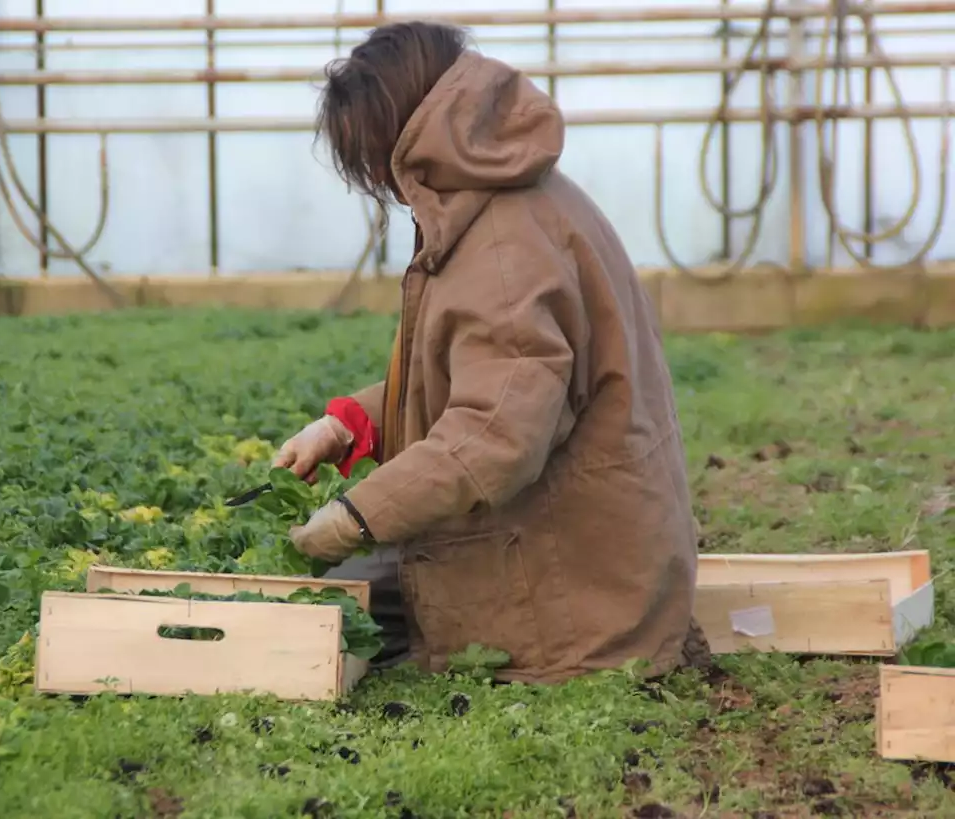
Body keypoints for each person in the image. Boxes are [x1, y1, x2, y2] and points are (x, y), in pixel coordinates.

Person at [272, 21, 711, 683]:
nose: (379, 184)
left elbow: (493, 436)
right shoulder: (511, 194)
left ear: (400, 139)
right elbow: (483, 377)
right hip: (583, 542)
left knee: (325, 605)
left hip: (574, 595)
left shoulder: (504, 245)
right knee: (341, 595)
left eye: (368, 158)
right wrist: (350, 424)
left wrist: (358, 515)